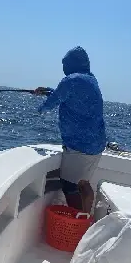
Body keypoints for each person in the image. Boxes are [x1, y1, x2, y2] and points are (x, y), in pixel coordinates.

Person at [34, 46, 106, 212]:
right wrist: (48, 91)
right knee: (83, 183)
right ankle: (85, 217)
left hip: (79, 145)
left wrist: (41, 108)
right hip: (97, 143)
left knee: (69, 186)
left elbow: (54, 101)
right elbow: (70, 95)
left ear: (69, 64)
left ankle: (79, 219)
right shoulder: (90, 78)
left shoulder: (70, 80)